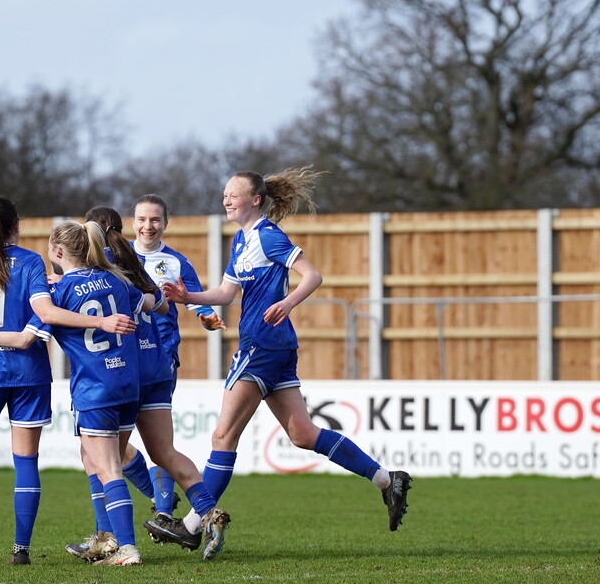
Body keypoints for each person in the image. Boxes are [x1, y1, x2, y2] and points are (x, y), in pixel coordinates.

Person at [150, 168, 412, 549]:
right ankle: (388, 480)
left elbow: (312, 276)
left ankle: (191, 526)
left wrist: (287, 303)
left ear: (255, 200)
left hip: (261, 346)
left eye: (233, 195)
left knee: (223, 436)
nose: (226, 200)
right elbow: (226, 293)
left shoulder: (268, 236)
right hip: (275, 348)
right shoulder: (241, 240)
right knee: (303, 434)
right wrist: (187, 297)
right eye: (224, 194)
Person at [0, 220, 172, 566]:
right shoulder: (116, 279)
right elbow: (152, 302)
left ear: (57, 252)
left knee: (108, 468)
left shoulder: (57, 297)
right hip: (128, 385)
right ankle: (114, 533)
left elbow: (24, 339)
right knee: (102, 461)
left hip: (94, 389)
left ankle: (127, 548)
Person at [63, 206, 230, 562]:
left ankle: (109, 538)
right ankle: (206, 510)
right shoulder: (133, 261)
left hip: (122, 372)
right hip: (157, 365)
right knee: (162, 451)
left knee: (99, 459)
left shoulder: (99, 268)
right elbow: (165, 307)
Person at [127, 194, 225, 516]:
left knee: (159, 444)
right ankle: (160, 501)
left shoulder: (176, 262)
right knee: (114, 443)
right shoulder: (117, 256)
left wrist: (208, 318)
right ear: (133, 222)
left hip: (160, 357)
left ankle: (163, 513)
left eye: (155, 219)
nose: (148, 226)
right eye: (142, 219)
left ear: (166, 223)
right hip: (123, 358)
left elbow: (194, 299)